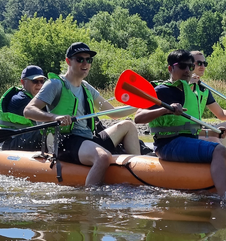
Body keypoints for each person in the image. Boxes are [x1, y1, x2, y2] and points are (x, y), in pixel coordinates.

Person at [24, 42, 141, 186]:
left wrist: (140, 105)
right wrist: (55, 118)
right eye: (80, 59)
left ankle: (138, 172)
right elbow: (28, 111)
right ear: (68, 61)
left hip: (88, 139)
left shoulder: (87, 88)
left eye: (88, 60)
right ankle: (89, 200)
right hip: (64, 141)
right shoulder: (55, 84)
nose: (85, 63)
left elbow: (113, 113)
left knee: (128, 125)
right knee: (103, 157)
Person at [134, 50, 226, 197]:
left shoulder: (190, 91)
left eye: (190, 67)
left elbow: (186, 128)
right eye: (182, 66)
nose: (187, 71)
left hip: (184, 141)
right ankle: (224, 199)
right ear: (170, 68)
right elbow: (138, 118)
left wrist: (211, 132)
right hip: (168, 144)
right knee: (220, 150)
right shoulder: (161, 91)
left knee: (217, 145)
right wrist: (166, 110)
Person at [0, 65, 47, 151]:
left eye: (42, 81)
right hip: (11, 143)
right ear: (23, 82)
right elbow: (51, 112)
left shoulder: (35, 98)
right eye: (35, 81)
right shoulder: (20, 100)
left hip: (25, 139)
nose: (39, 85)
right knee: (44, 132)